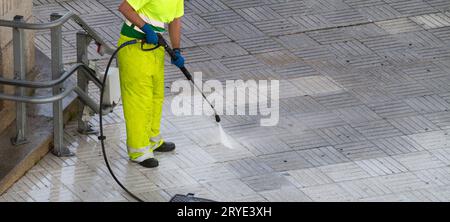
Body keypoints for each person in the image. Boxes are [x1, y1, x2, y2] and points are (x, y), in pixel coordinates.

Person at [117, 0, 185, 168]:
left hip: (155, 48)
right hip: (135, 47)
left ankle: (152, 139)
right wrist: (145, 27)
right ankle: (139, 150)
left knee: (156, 96)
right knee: (139, 100)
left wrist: (176, 50)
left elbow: (175, 20)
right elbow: (125, 8)